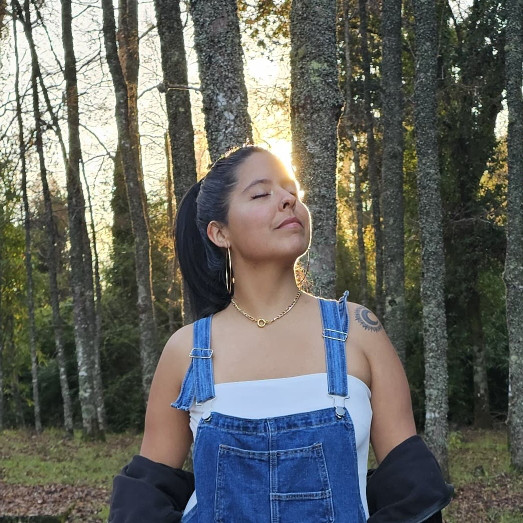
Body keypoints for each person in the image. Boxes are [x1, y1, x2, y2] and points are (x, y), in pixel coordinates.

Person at [109, 145, 452, 522]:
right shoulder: (186, 349)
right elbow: (145, 499)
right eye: (261, 193)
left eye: (292, 191)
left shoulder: (358, 330)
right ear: (220, 232)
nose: (288, 200)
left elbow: (412, 495)